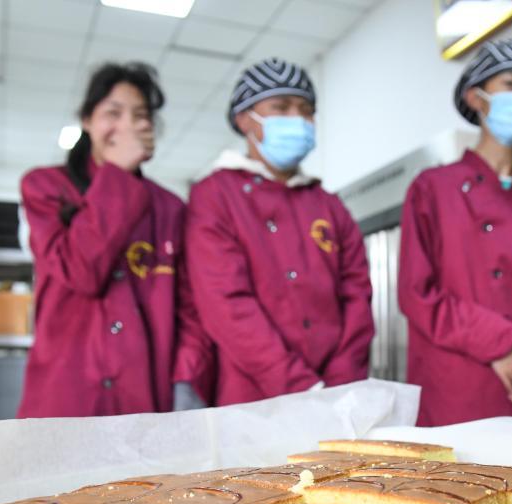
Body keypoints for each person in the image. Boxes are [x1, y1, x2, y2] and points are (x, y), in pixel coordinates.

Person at [18, 62, 214, 418]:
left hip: (145, 399)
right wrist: (118, 175)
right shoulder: (45, 187)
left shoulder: (171, 208)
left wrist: (187, 381)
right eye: (113, 113)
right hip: (65, 397)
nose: (126, 126)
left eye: (139, 115)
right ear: (87, 120)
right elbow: (82, 271)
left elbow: (190, 311)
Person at [398, 39, 512, 426]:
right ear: (476, 99)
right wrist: (497, 344)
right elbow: (416, 294)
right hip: (455, 395)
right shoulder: (432, 189)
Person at [184, 58, 374, 406]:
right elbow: (226, 305)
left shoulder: (329, 205)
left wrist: (339, 383)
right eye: (281, 107)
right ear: (245, 120)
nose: (297, 119)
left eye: (306, 110)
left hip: (338, 396)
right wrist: (302, 388)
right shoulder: (215, 196)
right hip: (254, 398)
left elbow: (357, 296)